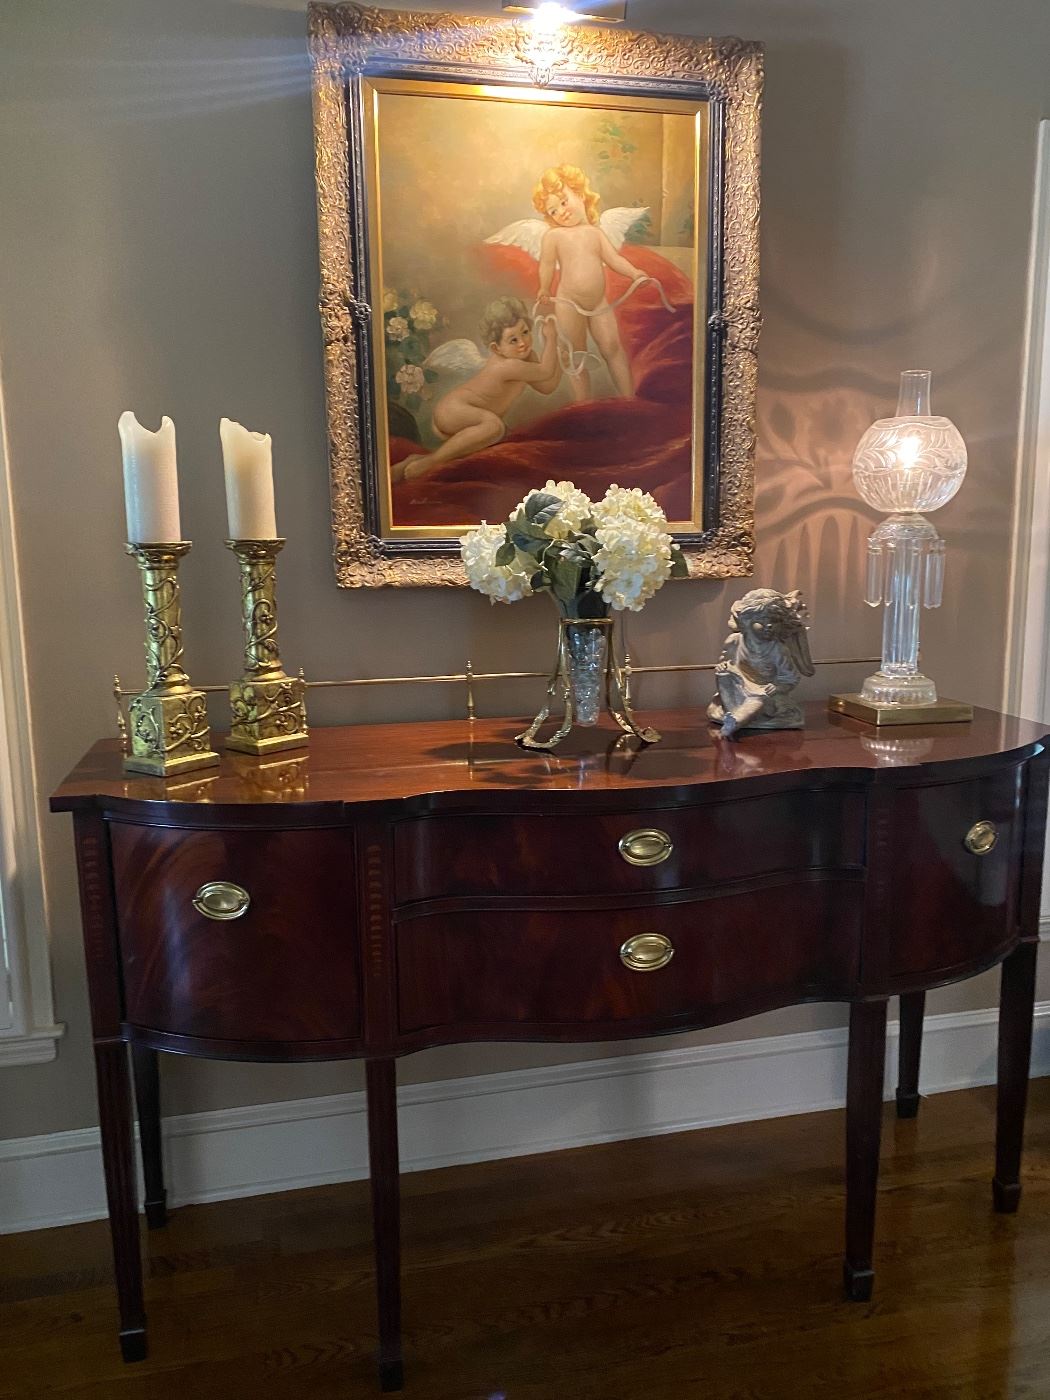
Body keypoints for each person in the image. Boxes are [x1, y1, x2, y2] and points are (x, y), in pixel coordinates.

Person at [393, 297, 560, 482]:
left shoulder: (527, 358)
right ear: (497, 348)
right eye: (513, 340)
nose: (523, 343)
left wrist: (560, 360)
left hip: (466, 416)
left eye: (525, 332)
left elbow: (547, 386)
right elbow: (545, 371)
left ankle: (410, 465)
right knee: (494, 427)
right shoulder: (507, 366)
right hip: (454, 410)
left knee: (489, 431)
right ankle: (429, 464)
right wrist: (552, 339)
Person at [533, 164, 646, 402]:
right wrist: (543, 288)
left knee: (612, 348)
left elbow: (614, 259)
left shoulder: (595, 234)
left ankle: (629, 400)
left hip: (597, 303)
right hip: (567, 302)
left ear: (581, 194)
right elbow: (545, 264)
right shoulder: (554, 236)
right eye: (553, 211)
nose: (560, 212)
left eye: (563, 202)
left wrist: (634, 273)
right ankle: (584, 406)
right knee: (575, 354)